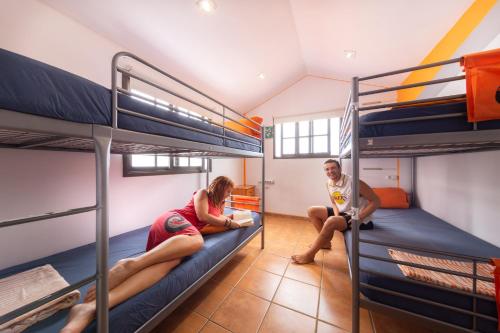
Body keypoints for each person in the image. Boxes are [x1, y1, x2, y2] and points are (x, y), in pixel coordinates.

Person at [61, 176, 241, 333]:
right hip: (173, 220)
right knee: (197, 241)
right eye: (228, 191)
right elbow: (202, 217)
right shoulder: (203, 193)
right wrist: (227, 222)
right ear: (220, 186)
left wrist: (231, 221)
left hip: (180, 237)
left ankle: (91, 308)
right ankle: (133, 263)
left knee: (172, 261)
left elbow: (207, 227)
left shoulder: (221, 206)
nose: (229, 195)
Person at [292, 159, 380, 264]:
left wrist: (359, 217)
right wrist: (337, 216)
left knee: (331, 221)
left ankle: (310, 255)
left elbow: (376, 201)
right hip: (343, 213)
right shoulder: (329, 183)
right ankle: (326, 243)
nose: (330, 171)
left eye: (333, 168)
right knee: (312, 210)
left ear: (340, 169)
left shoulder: (354, 182)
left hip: (358, 216)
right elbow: (334, 203)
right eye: (327, 169)